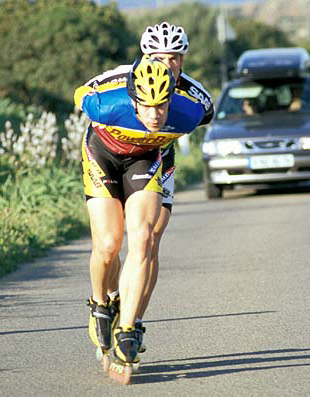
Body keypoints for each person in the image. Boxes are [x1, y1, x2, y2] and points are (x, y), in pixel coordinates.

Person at [82, 21, 214, 360]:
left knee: (146, 238)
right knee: (109, 243)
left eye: (174, 58)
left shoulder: (191, 104)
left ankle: (132, 321)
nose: (166, 65)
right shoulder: (111, 97)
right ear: (144, 56)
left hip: (152, 157)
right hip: (105, 153)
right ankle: (102, 301)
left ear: (183, 60)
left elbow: (204, 114)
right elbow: (82, 95)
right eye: (158, 57)